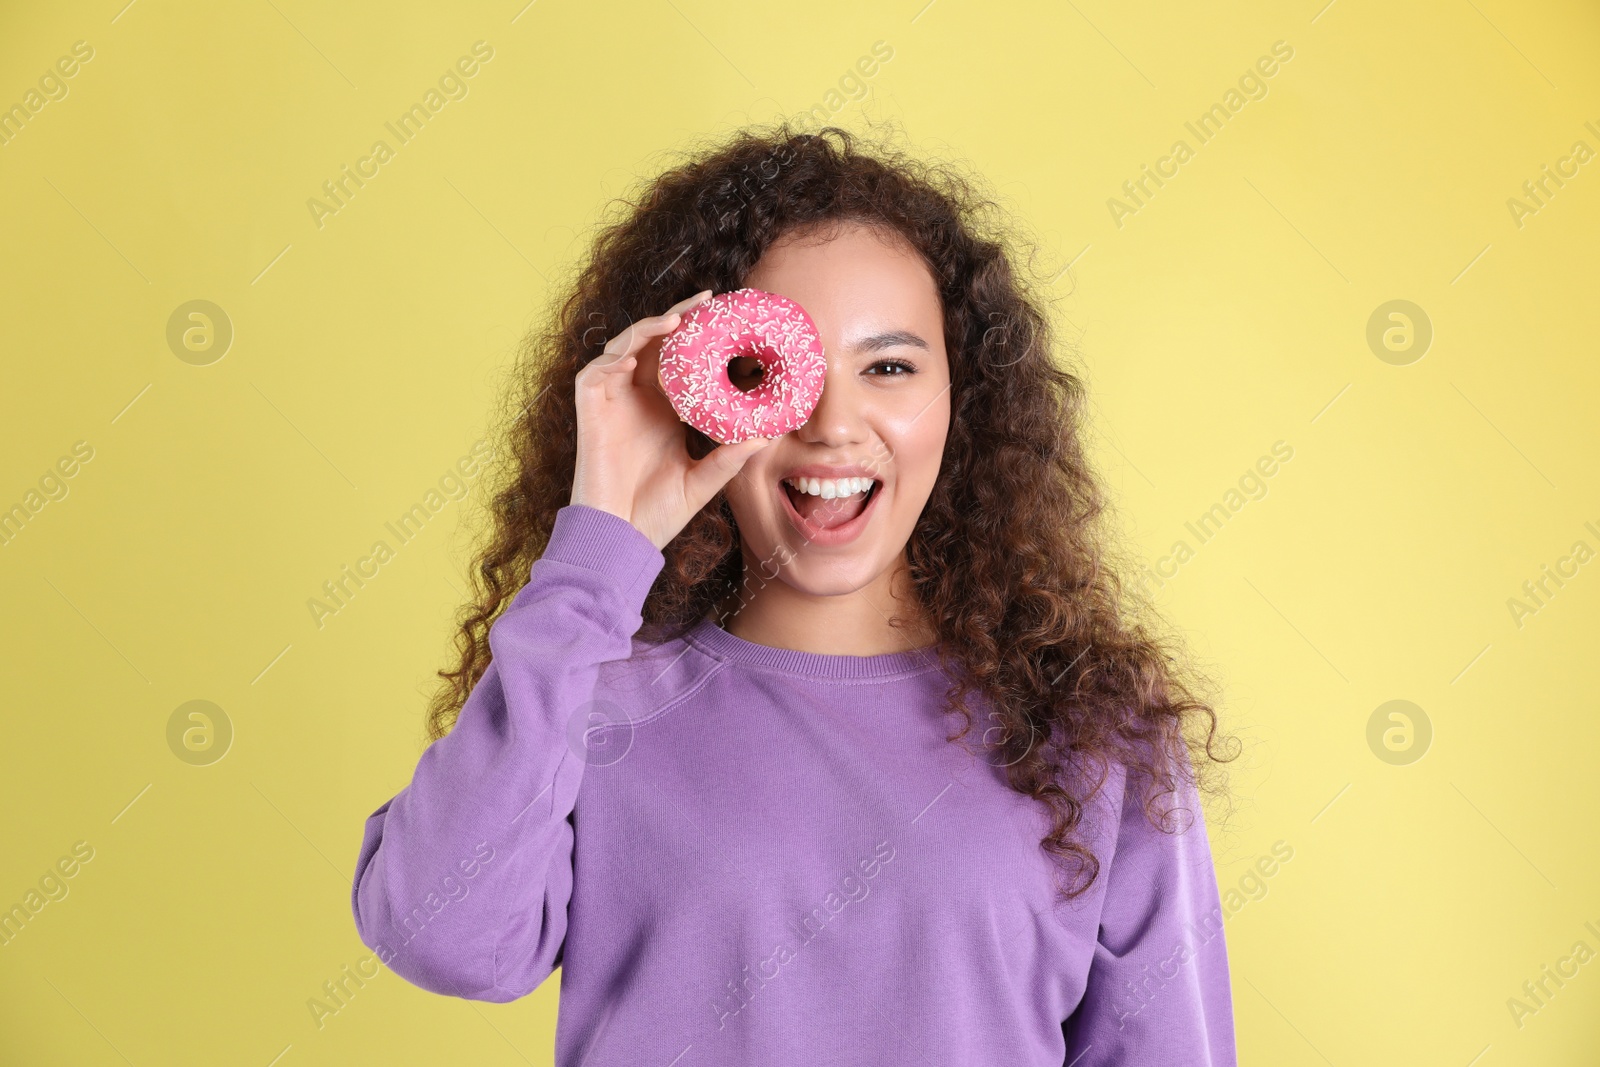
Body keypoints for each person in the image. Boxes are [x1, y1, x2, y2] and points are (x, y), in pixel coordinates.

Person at [350, 121, 1239, 1066]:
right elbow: (435, 934)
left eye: (889, 366)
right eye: (777, 371)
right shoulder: (592, 689)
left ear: (960, 396)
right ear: (704, 394)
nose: (832, 425)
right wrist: (599, 544)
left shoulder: (1089, 733)